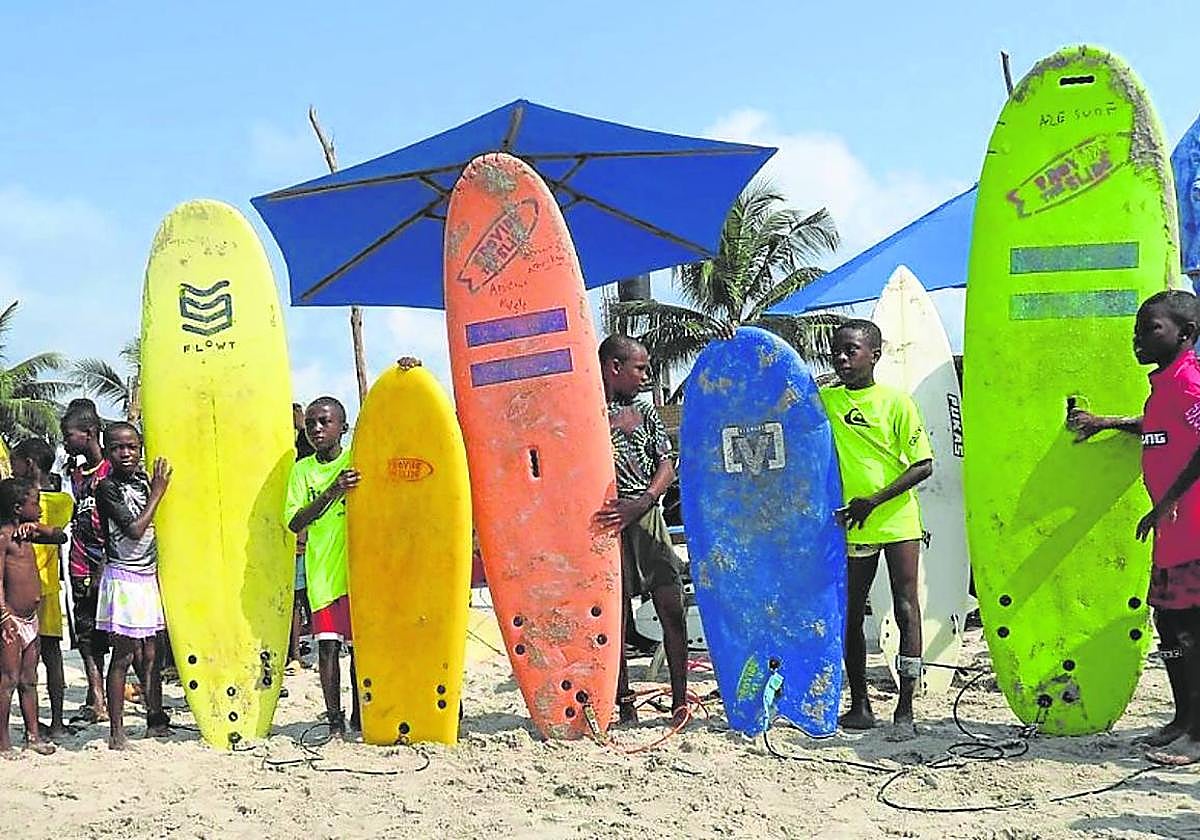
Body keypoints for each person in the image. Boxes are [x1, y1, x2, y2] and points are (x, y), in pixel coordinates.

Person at [1069, 290, 1200, 766]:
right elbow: (1158, 426)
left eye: (1152, 329)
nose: (1138, 338)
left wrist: (1167, 501)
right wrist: (1106, 422)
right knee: (1169, 627)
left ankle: (1197, 734)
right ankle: (1182, 720)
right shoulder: (1164, 385)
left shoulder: (1190, 382)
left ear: (1185, 334)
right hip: (1172, 532)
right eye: (1137, 329)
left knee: (1188, 630)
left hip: (1193, 529)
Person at [820, 319, 933, 734]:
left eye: (851, 350)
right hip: (854, 522)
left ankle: (905, 708)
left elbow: (923, 465)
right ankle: (861, 705)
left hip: (896, 519)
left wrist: (874, 500)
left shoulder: (897, 403)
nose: (841, 358)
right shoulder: (826, 401)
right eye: (836, 350)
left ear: (875, 355)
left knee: (906, 607)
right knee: (850, 613)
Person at [592, 335, 689, 728]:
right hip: (604, 523)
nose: (646, 376)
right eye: (640, 368)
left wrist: (645, 500)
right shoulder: (585, 409)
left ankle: (680, 701)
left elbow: (667, 464)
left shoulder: (644, 411)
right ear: (614, 367)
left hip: (646, 517)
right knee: (613, 620)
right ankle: (624, 702)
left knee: (671, 606)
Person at [285, 397, 360, 738]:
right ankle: (334, 722)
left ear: (343, 427)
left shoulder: (358, 458)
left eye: (324, 422)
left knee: (361, 651)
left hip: (359, 573)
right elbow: (295, 521)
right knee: (327, 648)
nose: (316, 429)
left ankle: (361, 715)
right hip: (323, 574)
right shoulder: (302, 471)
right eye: (311, 424)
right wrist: (332, 491)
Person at [94, 421, 171, 749]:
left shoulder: (142, 481)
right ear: (106, 452)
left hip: (147, 575)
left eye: (131, 447)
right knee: (124, 655)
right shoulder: (107, 488)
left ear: (140, 448)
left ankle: (156, 719)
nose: (125, 453)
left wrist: (153, 487)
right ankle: (116, 732)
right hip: (124, 578)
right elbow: (135, 530)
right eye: (117, 448)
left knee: (152, 652)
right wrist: (158, 492)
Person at [10, 437, 73, 739]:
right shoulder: (63, 502)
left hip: (19, 590)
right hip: (49, 589)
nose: (13, 470)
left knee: (24, 660)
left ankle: (30, 726)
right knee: (52, 654)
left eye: (15, 464)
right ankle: (57, 721)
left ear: (29, 464)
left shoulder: (20, 504)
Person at [61, 403, 111, 724]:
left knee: (125, 636)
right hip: (80, 564)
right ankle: (96, 698)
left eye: (69, 436)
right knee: (86, 633)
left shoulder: (112, 470)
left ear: (90, 433)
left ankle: (150, 702)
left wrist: (106, 561)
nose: (65, 442)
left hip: (111, 563)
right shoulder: (76, 475)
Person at [0, 477, 58, 755]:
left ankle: (32, 736)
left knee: (29, 679)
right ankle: (3, 742)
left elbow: (60, 536)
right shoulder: (4, 538)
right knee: (8, 680)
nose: (40, 508)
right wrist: (3, 615)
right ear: (17, 508)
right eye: (35, 503)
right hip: (10, 621)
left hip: (31, 619)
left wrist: (37, 527)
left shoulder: (28, 534)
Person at [288, 403, 312, 673]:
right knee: (296, 597)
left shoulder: (302, 459)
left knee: (300, 597)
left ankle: (294, 653)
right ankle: (293, 653)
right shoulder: (296, 463)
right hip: (295, 537)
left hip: (301, 538)